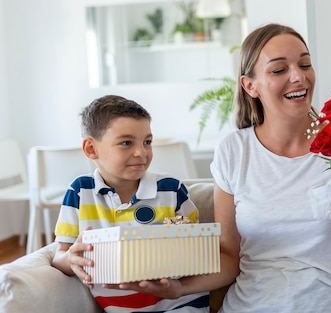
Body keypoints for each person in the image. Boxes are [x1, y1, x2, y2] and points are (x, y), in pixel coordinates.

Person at [210, 23, 331, 313]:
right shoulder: (233, 151)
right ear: (250, 85)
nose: (299, 77)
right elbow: (228, 257)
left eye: (305, 64)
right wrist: (176, 288)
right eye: (279, 70)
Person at [51, 95, 230, 312]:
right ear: (91, 149)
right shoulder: (79, 192)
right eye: (126, 143)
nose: (141, 152)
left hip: (181, 305)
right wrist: (70, 259)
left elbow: (192, 248)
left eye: (147, 142)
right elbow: (60, 255)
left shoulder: (171, 190)